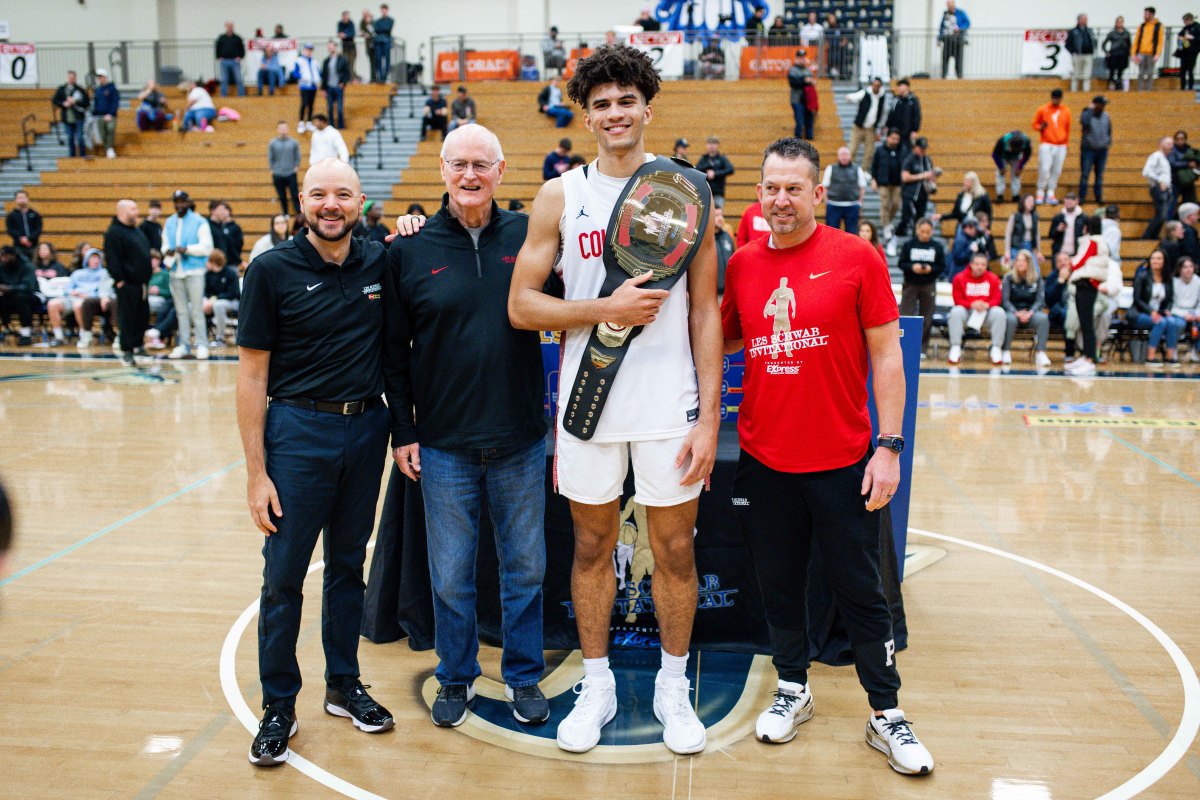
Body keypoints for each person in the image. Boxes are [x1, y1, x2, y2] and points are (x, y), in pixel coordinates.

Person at [507, 44, 721, 757]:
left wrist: (712, 417)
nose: (615, 113)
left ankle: (671, 685)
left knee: (675, 548)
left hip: (670, 405)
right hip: (587, 405)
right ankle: (596, 685)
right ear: (587, 115)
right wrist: (606, 308)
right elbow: (523, 306)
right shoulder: (560, 196)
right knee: (593, 546)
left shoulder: (688, 190)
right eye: (601, 104)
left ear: (647, 108)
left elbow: (705, 313)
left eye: (627, 100)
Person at [719, 136, 933, 775]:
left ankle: (886, 713)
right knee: (779, 585)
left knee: (861, 591)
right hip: (764, 460)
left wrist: (889, 447)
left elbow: (887, 355)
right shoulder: (743, 266)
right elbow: (721, 337)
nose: (781, 200)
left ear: (818, 193)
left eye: (794, 188)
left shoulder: (856, 257)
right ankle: (793, 687)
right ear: (758, 195)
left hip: (842, 461)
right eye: (771, 188)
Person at [382, 124, 550, 729]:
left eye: (482, 164)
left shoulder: (530, 234)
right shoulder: (409, 249)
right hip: (445, 445)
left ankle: (524, 677)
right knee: (451, 575)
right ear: (443, 171)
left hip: (522, 440)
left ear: (501, 171)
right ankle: (455, 676)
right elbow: (394, 354)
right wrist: (404, 432)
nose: (470, 175)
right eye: (460, 165)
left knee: (525, 568)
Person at [237, 158, 394, 767]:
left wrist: (410, 223)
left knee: (348, 565)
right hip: (297, 431)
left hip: (367, 428)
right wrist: (256, 472)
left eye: (344, 195)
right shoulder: (271, 269)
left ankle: (343, 684)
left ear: (360, 202)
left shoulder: (381, 259)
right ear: (302, 200)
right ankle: (279, 702)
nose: (332, 205)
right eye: (320, 195)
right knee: (283, 576)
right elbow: (252, 375)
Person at [163, 190, 213, 360]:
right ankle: (184, 344)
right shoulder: (169, 222)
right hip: (175, 271)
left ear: (188, 201)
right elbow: (164, 245)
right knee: (181, 311)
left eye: (182, 201)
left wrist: (188, 249)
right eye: (176, 201)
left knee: (197, 310)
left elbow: (207, 247)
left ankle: (202, 344)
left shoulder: (199, 221)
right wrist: (167, 251)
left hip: (194, 271)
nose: (179, 204)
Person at [103, 199, 152, 366]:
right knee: (127, 317)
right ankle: (127, 349)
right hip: (127, 284)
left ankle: (138, 345)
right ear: (122, 212)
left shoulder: (135, 231)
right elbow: (112, 259)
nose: (137, 211)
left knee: (142, 315)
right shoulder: (114, 232)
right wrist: (119, 280)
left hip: (142, 283)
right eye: (133, 208)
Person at [1063, 215, 1112, 375]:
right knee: (1085, 323)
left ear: (1086, 228)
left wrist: (1068, 264)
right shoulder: (1101, 242)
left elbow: (1079, 261)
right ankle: (1086, 357)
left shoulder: (1091, 242)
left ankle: (1089, 359)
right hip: (1090, 284)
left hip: (1086, 284)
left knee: (1086, 323)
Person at [948, 250, 1006, 366]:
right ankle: (955, 347)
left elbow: (997, 298)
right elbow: (957, 299)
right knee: (955, 312)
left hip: (986, 313)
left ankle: (996, 348)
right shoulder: (959, 278)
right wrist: (972, 304)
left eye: (983, 264)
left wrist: (987, 304)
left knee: (999, 312)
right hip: (967, 311)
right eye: (977, 264)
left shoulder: (993, 279)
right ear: (971, 264)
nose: (980, 267)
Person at [898, 217, 945, 355]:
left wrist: (931, 269)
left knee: (927, 316)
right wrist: (913, 267)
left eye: (927, 232)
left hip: (928, 284)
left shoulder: (937, 247)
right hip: (910, 284)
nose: (924, 234)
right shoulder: (909, 245)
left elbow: (942, 266)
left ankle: (922, 349)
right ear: (917, 230)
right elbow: (901, 263)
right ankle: (903, 346)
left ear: (932, 231)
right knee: (906, 315)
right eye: (922, 231)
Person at [1001, 250, 1051, 368]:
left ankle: (1041, 352)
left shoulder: (1037, 279)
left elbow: (1040, 301)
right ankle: (1006, 351)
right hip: (1013, 312)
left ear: (1029, 263)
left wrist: (1030, 312)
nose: (1020, 263)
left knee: (1043, 318)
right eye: (1018, 260)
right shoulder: (1008, 278)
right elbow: (1005, 301)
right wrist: (1016, 312)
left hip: (1031, 312)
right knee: (1010, 319)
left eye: (1023, 261)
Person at [1131, 249, 1181, 367]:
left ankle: (1170, 358)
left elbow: (1170, 299)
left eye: (1159, 258)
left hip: (1160, 313)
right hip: (1139, 313)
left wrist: (1167, 309)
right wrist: (1151, 312)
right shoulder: (1142, 276)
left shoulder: (1168, 279)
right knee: (1160, 322)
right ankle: (1150, 357)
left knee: (1172, 322)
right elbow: (1137, 299)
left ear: (1164, 261)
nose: (1155, 261)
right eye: (1153, 258)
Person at [1032, 88, 1070, 206]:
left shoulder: (1066, 111)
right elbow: (1034, 124)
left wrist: (1066, 143)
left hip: (1061, 144)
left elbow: (1067, 128)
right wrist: (1041, 127)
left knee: (1056, 170)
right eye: (1054, 98)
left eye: (1058, 98)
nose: (1056, 101)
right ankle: (1040, 192)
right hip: (1047, 143)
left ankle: (1051, 192)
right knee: (1044, 168)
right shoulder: (1043, 109)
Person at [822, 146, 869, 232]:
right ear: (838, 156)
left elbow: (862, 187)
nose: (844, 157)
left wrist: (859, 202)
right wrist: (827, 202)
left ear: (850, 156)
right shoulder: (830, 168)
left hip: (852, 206)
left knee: (852, 233)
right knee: (832, 233)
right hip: (834, 205)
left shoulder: (857, 169)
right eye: (842, 155)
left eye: (846, 154)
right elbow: (824, 187)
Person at [897, 136, 936, 237]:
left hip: (923, 194)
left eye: (924, 148)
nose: (923, 150)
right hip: (909, 193)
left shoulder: (927, 160)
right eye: (921, 148)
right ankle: (897, 235)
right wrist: (922, 176)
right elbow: (904, 177)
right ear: (915, 147)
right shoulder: (909, 159)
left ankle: (916, 238)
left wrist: (932, 178)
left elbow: (931, 174)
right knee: (906, 217)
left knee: (920, 219)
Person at [846, 78, 887, 171]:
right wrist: (849, 97)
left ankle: (864, 171)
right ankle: (848, 169)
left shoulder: (882, 97)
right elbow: (854, 96)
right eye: (874, 85)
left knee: (869, 153)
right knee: (852, 149)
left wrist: (881, 128)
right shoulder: (865, 93)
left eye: (878, 86)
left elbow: (882, 112)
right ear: (872, 85)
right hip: (859, 127)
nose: (876, 88)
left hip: (871, 129)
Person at [1078, 96, 1112, 204]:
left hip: (1102, 150)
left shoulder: (1106, 116)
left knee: (1099, 175)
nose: (1103, 107)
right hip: (1089, 150)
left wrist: (1108, 142)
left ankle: (1098, 197)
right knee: (1085, 174)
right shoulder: (1087, 115)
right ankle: (1082, 197)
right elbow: (1084, 122)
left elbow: (1109, 131)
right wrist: (1089, 109)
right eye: (1101, 104)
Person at [0, 246, 37, 346]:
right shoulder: (2, 266)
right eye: (1, 256)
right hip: (10, 297)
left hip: (32, 296)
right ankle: (6, 328)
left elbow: (28, 287)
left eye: (5, 256)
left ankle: (26, 333)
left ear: (13, 256)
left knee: (21, 297)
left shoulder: (27, 266)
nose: (2, 258)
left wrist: (9, 288)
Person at [202, 249, 240, 347]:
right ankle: (201, 338)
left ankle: (220, 337)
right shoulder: (208, 274)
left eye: (208, 260)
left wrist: (215, 299)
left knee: (218, 305)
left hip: (232, 302)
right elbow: (206, 291)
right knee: (195, 305)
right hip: (212, 302)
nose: (206, 263)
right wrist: (206, 300)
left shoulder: (230, 273)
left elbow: (233, 293)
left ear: (214, 262)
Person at [870, 128, 904, 236]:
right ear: (888, 137)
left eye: (897, 139)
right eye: (893, 138)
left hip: (897, 183)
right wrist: (874, 179)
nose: (895, 141)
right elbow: (874, 166)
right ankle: (885, 225)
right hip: (883, 182)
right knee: (884, 204)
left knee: (896, 204)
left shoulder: (902, 150)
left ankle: (888, 221)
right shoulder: (880, 150)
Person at [1143, 136, 1175, 240]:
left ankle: (1153, 236)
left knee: (1162, 215)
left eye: (1172, 144)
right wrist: (1159, 181)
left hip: (1165, 190)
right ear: (1161, 144)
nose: (1171, 146)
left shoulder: (1165, 159)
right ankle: (1147, 236)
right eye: (1168, 143)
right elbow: (1147, 171)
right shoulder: (1156, 156)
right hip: (1159, 189)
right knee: (1161, 215)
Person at [52, 71, 89, 158]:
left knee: (80, 137)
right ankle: (72, 156)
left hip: (78, 117)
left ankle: (82, 155)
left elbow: (86, 102)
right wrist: (63, 103)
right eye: (70, 78)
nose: (71, 79)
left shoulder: (80, 89)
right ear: (67, 78)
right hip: (67, 118)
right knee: (70, 137)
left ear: (75, 78)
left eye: (73, 78)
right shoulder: (62, 89)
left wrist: (75, 101)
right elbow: (55, 100)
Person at [269, 121, 302, 217]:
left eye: (284, 128)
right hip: (278, 174)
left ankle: (298, 213)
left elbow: (297, 156)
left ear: (287, 129)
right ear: (277, 130)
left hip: (291, 173)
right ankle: (285, 213)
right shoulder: (273, 143)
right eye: (281, 128)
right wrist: (272, 169)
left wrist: (296, 166)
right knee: (282, 196)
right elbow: (270, 157)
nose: (283, 130)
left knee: (295, 194)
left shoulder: (294, 142)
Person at [1169, 257, 1200, 362]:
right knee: (1178, 324)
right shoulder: (1173, 282)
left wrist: (1197, 314)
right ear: (1179, 269)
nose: (1189, 269)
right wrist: (1184, 315)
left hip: (1194, 312)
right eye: (1185, 267)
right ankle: (1173, 349)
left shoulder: (1198, 281)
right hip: (1178, 313)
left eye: (1191, 266)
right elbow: (1170, 305)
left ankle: (1196, 351)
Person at [992, 130, 1031, 203]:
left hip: (1016, 157)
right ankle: (1000, 195)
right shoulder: (1003, 140)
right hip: (1002, 155)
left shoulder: (1026, 141)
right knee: (1000, 174)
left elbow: (1027, 155)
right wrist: (1001, 167)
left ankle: (1015, 195)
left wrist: (1020, 167)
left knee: (1016, 174)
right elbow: (995, 154)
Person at [696, 136, 735, 209]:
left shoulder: (722, 159)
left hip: (718, 192)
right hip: (705, 192)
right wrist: (707, 173)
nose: (711, 146)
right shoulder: (703, 159)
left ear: (717, 145)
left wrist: (715, 173)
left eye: (714, 143)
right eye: (710, 143)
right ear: (706, 145)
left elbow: (730, 169)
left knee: (717, 213)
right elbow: (697, 171)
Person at [1003, 194, 1041, 269]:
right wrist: (1007, 251)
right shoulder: (1015, 216)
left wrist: (1039, 251)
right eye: (1029, 201)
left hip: (1029, 246)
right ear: (1023, 202)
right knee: (1016, 269)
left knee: (1035, 270)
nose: (1031, 203)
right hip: (1016, 246)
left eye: (1033, 201)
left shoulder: (1035, 216)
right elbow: (1008, 234)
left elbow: (1037, 234)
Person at [885, 78, 921, 153]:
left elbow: (917, 115)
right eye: (898, 86)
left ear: (907, 87)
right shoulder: (896, 100)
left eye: (900, 85)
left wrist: (915, 130)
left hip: (907, 134)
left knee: (906, 153)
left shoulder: (913, 100)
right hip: (895, 133)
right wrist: (887, 126)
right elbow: (891, 113)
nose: (899, 88)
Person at [1134, 6, 1165, 92]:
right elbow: (1136, 40)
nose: (1144, 15)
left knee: (1150, 73)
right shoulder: (1142, 26)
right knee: (1141, 73)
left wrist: (1157, 54)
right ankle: (1140, 90)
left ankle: (1148, 90)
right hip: (1141, 53)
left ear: (1152, 14)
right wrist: (1134, 54)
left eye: (1146, 13)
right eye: (1144, 13)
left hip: (1151, 53)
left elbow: (1160, 41)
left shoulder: (1158, 26)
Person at [322, 40, 352, 129]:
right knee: (330, 108)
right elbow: (324, 76)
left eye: (332, 46)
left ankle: (341, 126)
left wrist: (343, 83)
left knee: (339, 109)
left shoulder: (343, 59)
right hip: (329, 87)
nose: (330, 48)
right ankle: (331, 126)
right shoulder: (326, 61)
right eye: (329, 47)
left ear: (335, 47)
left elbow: (347, 74)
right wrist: (323, 89)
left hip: (338, 87)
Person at [92, 69, 120, 159]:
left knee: (110, 129)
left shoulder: (112, 89)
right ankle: (107, 148)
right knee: (102, 133)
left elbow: (115, 102)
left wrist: (110, 114)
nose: (100, 79)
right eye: (98, 77)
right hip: (99, 115)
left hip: (110, 115)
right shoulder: (97, 90)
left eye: (101, 77)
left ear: (105, 77)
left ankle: (109, 149)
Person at [5, 191, 41, 262]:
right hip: (18, 246)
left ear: (28, 199)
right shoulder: (11, 215)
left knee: (35, 264)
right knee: (20, 265)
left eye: (24, 197)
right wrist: (21, 238)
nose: (22, 199)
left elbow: (38, 229)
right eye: (19, 198)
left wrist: (29, 238)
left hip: (34, 245)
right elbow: (10, 230)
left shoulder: (35, 214)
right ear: (15, 200)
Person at [938, 0, 970, 79]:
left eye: (950, 5)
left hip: (958, 40)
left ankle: (959, 76)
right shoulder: (945, 14)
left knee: (958, 59)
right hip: (947, 40)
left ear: (954, 5)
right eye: (948, 5)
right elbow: (942, 27)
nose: (949, 7)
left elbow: (967, 22)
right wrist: (939, 39)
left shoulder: (960, 13)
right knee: (945, 58)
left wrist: (960, 28)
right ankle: (944, 75)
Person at [293, 44, 320, 133]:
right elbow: (295, 73)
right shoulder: (299, 61)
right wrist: (302, 77)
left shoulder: (314, 62)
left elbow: (318, 72)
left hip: (313, 86)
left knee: (311, 104)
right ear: (304, 50)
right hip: (304, 85)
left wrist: (317, 80)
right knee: (304, 103)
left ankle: (309, 122)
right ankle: (301, 122)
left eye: (310, 50)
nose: (309, 52)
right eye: (307, 50)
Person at [1065, 14, 1096, 93]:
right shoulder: (1073, 31)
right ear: (1078, 20)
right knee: (1076, 74)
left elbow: (1094, 41)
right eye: (1083, 19)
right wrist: (1073, 53)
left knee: (1087, 75)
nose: (1085, 21)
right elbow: (1067, 44)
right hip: (1078, 55)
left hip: (1088, 55)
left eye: (1086, 19)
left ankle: (1086, 90)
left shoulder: (1090, 31)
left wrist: (1093, 50)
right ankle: (1074, 90)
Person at [1049, 192, 1086, 258]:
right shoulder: (1058, 217)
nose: (1069, 202)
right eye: (1067, 200)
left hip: (1076, 254)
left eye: (1071, 200)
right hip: (1060, 253)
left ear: (1077, 201)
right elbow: (1051, 235)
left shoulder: (1083, 218)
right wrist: (1058, 230)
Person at [786, 52, 813, 140]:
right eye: (800, 57)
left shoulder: (807, 70)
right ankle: (797, 143)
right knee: (799, 122)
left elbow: (811, 83)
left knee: (809, 122)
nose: (802, 59)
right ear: (796, 58)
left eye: (803, 57)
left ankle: (810, 142)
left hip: (807, 100)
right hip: (797, 99)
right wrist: (805, 80)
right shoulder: (793, 70)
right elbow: (793, 84)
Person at [215, 21, 246, 97]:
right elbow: (217, 48)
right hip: (224, 61)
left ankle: (241, 95)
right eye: (228, 26)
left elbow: (242, 49)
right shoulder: (221, 38)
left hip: (235, 61)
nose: (230, 28)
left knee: (238, 79)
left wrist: (240, 56)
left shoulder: (237, 38)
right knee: (224, 79)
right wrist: (219, 56)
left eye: (231, 26)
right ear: (226, 27)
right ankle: (223, 95)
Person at [949, 215, 984, 280]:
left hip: (963, 275)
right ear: (967, 227)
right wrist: (970, 250)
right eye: (974, 229)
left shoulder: (969, 238)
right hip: (958, 275)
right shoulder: (961, 240)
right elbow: (957, 258)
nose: (976, 231)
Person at [212, 202, 244, 268]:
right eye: (221, 210)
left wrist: (239, 260)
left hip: (230, 262)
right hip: (216, 262)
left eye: (225, 210)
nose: (223, 213)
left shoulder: (234, 227)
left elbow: (236, 245)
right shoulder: (215, 226)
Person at [1104, 17, 1133, 91]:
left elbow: (1130, 45)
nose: (1120, 24)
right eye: (1118, 22)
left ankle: (1119, 85)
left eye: (1121, 22)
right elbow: (1104, 44)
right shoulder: (1112, 33)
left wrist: (1130, 53)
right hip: (1114, 55)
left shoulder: (1126, 33)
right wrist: (1107, 52)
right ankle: (1111, 84)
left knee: (1120, 71)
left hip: (1123, 55)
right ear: (1116, 23)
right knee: (1112, 71)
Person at [714, 206, 735, 292]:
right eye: (716, 215)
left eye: (721, 215)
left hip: (727, 290)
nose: (720, 218)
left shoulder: (727, 236)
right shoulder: (704, 239)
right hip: (711, 291)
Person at [373, 4, 394, 83]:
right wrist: (382, 30)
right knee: (378, 59)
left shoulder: (391, 20)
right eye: (382, 9)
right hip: (378, 42)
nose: (383, 11)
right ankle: (380, 76)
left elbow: (387, 29)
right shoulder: (377, 21)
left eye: (385, 9)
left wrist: (381, 30)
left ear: (387, 10)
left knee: (386, 59)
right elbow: (376, 29)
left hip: (386, 42)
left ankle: (385, 77)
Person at [1179, 14, 1200, 91]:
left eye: (1185, 21)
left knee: (1190, 70)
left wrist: (1192, 37)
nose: (1184, 23)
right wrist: (1180, 41)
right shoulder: (1185, 28)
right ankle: (1182, 88)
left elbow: (1198, 38)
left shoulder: (1197, 27)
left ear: (1189, 20)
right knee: (1182, 71)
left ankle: (1190, 88)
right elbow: (1180, 35)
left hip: (1193, 51)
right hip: (1185, 51)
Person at [338, 10, 358, 79]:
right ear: (343, 17)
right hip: (344, 46)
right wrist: (344, 35)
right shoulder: (340, 23)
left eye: (348, 16)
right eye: (345, 16)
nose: (347, 17)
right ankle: (346, 77)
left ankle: (351, 77)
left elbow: (352, 33)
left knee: (351, 62)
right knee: (345, 62)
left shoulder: (351, 23)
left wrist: (345, 35)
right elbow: (339, 33)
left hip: (351, 46)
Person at [360, 9, 377, 83]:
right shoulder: (362, 23)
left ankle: (377, 78)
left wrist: (369, 35)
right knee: (371, 62)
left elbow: (374, 33)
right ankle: (373, 78)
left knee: (376, 62)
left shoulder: (374, 23)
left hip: (376, 45)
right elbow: (362, 31)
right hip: (368, 46)